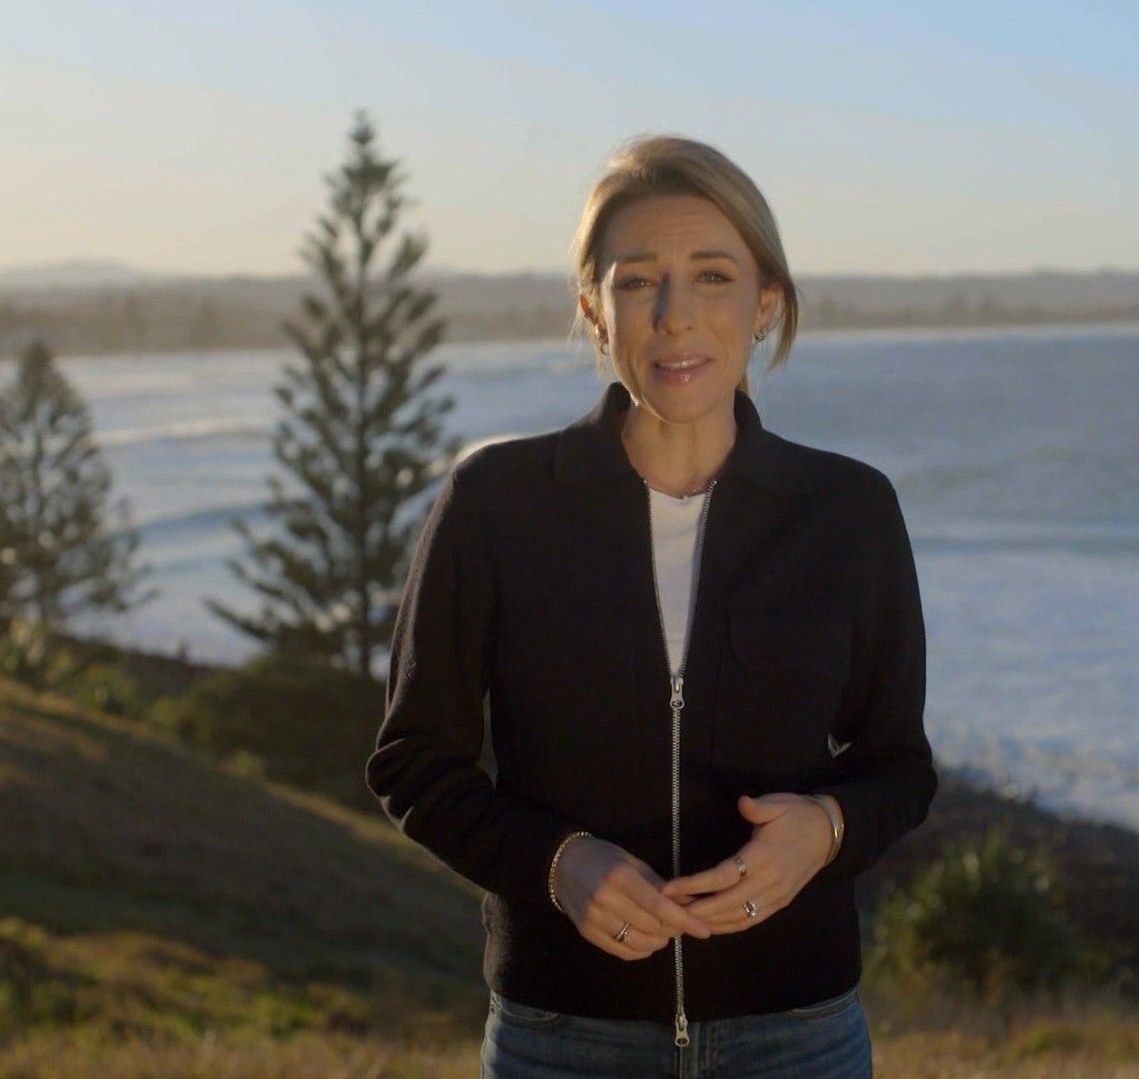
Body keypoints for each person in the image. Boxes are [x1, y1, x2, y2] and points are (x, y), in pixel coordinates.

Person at [365, 133, 935, 1078]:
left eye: (713, 276)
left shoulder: (848, 511)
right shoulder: (495, 505)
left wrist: (824, 832)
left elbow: (899, 768)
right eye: (638, 282)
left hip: (797, 1035)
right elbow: (415, 763)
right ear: (594, 309)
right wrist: (558, 865)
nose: (675, 316)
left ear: (765, 302)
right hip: (561, 1039)